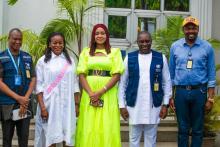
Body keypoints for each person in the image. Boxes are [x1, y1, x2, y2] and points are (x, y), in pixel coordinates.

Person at [118, 31, 172, 147]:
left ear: (151, 42)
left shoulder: (160, 58)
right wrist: (122, 106)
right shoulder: (129, 58)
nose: (144, 44)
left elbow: (167, 82)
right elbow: (122, 83)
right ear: (137, 42)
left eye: (147, 41)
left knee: (151, 139)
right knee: (133, 139)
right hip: (134, 107)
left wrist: (165, 105)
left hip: (153, 106)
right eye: (141, 41)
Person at [169, 16, 216, 147]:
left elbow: (211, 74)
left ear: (198, 29)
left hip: (199, 92)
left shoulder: (207, 47)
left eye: (194, 28)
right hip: (181, 93)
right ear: (183, 29)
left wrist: (210, 99)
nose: (191, 31)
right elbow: (170, 74)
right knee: (182, 129)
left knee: (197, 129)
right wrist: (170, 97)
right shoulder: (175, 47)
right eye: (188, 28)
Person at [75, 24, 124, 147]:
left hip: (108, 94)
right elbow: (81, 74)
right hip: (89, 94)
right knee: (89, 125)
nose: (100, 36)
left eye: (103, 33)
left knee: (107, 124)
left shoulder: (115, 52)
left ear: (107, 36)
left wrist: (101, 91)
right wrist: (91, 93)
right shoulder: (85, 52)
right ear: (93, 36)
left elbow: (117, 75)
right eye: (97, 33)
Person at [34, 32, 80, 147]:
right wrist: (43, 108)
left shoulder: (70, 61)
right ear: (49, 44)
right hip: (50, 105)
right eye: (55, 43)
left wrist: (76, 104)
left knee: (67, 136)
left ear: (64, 44)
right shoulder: (43, 61)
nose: (58, 45)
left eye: (60, 43)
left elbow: (75, 84)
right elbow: (38, 87)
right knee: (51, 136)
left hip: (67, 106)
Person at [0, 28, 36, 147]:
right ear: (9, 39)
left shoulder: (27, 57)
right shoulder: (1, 57)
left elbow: (33, 78)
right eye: (15, 39)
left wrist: (25, 99)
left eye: (20, 39)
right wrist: (18, 98)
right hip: (8, 104)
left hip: (24, 104)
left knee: (24, 138)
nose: (17, 42)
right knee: (7, 138)